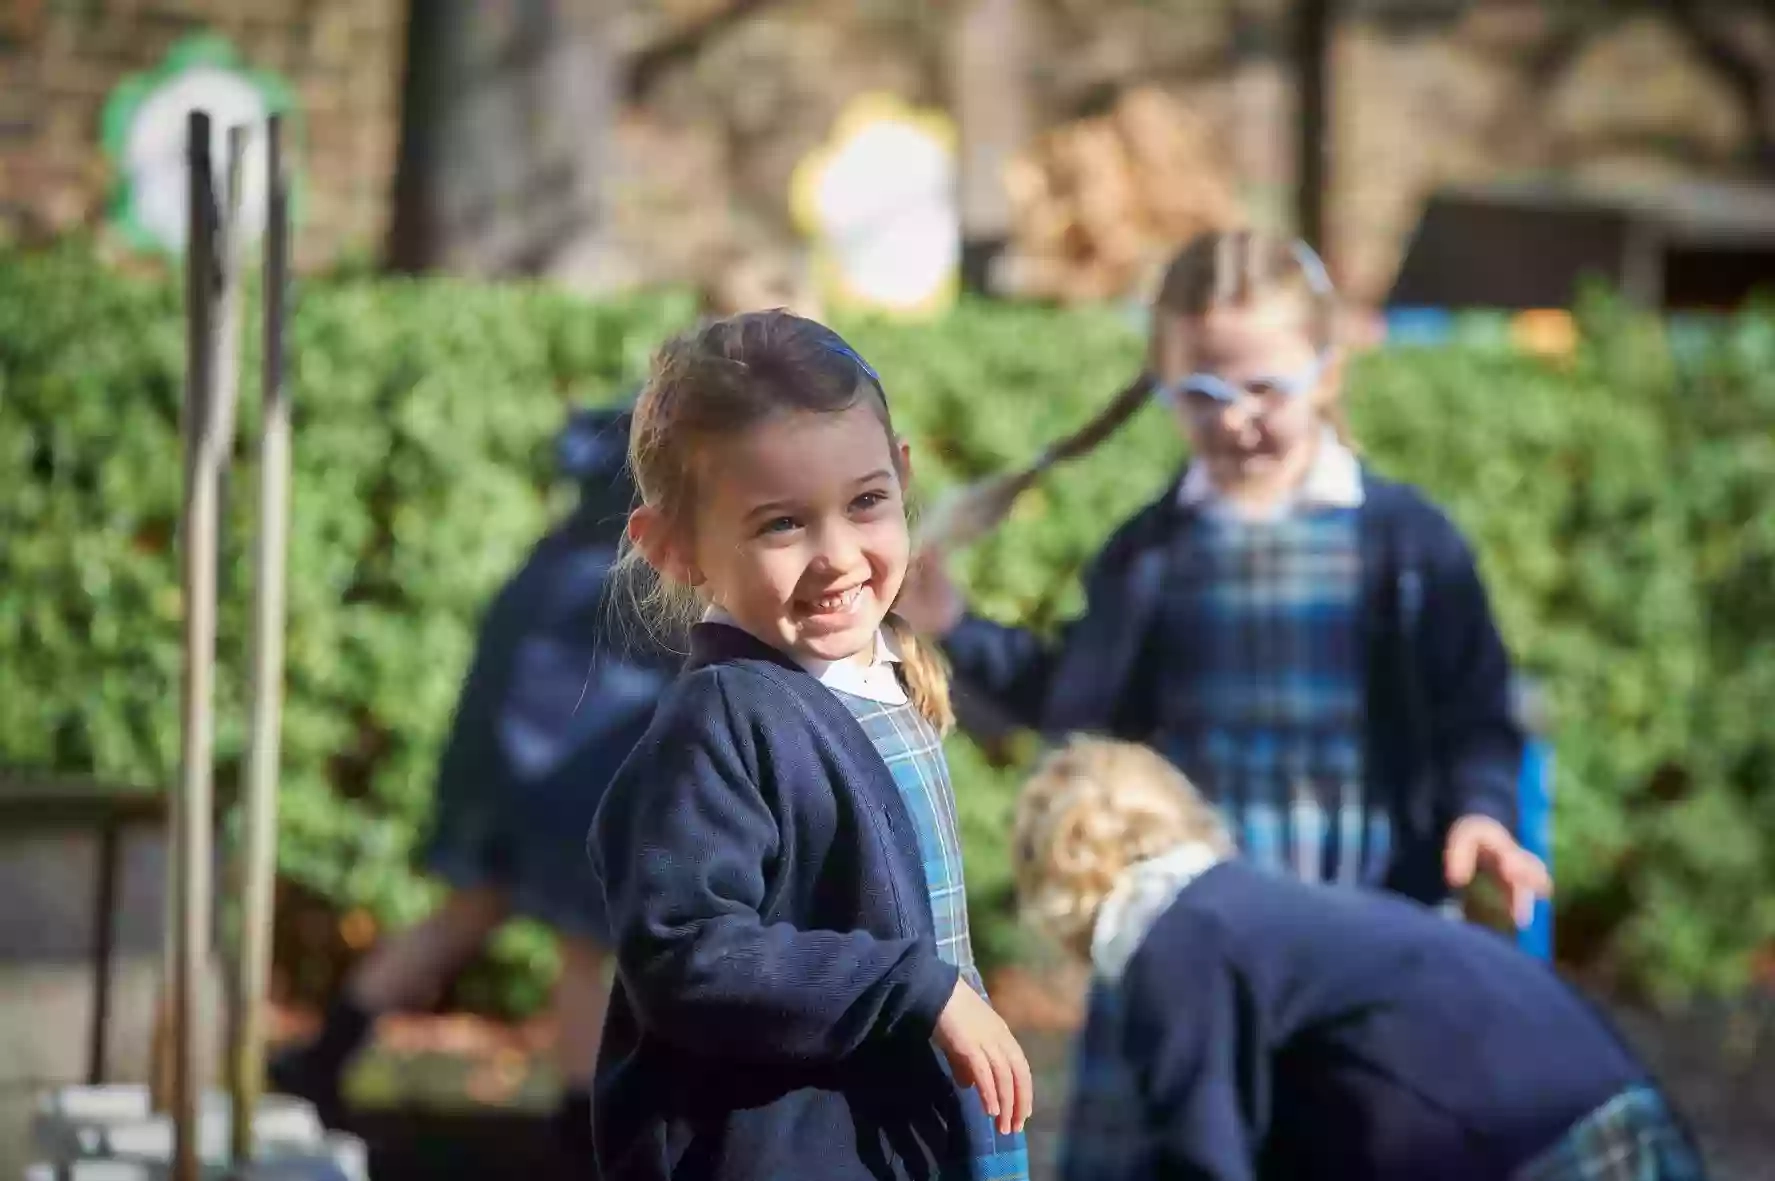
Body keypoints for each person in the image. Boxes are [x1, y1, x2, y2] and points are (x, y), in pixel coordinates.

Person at [899, 227, 1549, 921]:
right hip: (1205, 930)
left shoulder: (1410, 544)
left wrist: (1482, 811)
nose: (1234, 419)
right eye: (1202, 393)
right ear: (1163, 384)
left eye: (1264, 389)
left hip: (1380, 921)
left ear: (1327, 369)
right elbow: (1080, 704)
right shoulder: (1148, 554)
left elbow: (1476, 711)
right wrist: (953, 623)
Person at [588, 310, 1032, 1180]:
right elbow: (685, 952)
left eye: (866, 502)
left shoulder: (877, 673)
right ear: (673, 548)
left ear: (902, 477)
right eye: (780, 524)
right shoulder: (721, 719)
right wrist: (917, 988)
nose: (837, 557)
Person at [1013, 735, 1707, 1181]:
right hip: (1601, 1100)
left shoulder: (1175, 939)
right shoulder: (1246, 914)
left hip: (1543, 1146)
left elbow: (1201, 1159)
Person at [270, 402, 680, 1156]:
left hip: (521, 706)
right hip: (581, 722)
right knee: (586, 936)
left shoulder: (615, 447)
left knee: (478, 902)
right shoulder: (695, 450)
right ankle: (578, 1137)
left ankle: (320, 1058)